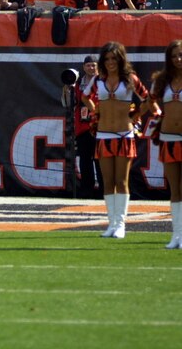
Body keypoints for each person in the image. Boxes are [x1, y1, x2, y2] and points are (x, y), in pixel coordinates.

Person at [82, 42, 149, 238]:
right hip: (103, 134)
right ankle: (111, 223)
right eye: (107, 59)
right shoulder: (98, 80)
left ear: (120, 59)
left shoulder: (130, 79)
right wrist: (96, 110)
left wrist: (135, 116)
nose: (111, 62)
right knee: (107, 181)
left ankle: (121, 224)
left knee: (122, 180)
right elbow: (85, 97)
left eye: (114, 58)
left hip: (124, 134)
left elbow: (147, 99)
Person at [150, 40, 182, 248]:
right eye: (174, 56)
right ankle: (176, 235)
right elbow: (151, 100)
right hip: (168, 138)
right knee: (174, 189)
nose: (178, 59)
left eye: (181, 55)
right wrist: (157, 111)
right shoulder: (162, 80)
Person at [64, 55, 102, 198]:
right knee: (85, 161)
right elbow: (69, 103)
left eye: (93, 65)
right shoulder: (78, 83)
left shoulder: (103, 82)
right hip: (82, 127)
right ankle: (87, 190)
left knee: (100, 161)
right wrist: (68, 89)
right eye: (88, 65)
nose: (91, 68)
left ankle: (104, 190)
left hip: (100, 127)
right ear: (83, 67)